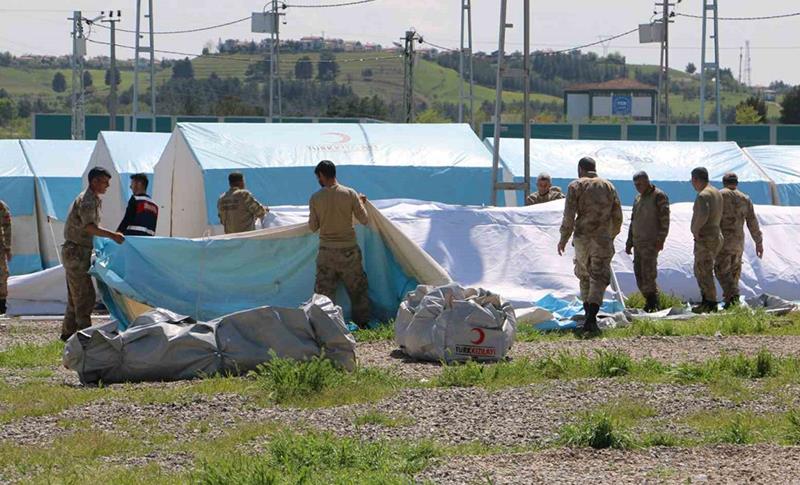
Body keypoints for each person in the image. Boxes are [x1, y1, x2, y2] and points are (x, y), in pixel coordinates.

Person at [558, 157, 623, 333]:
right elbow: (617, 215)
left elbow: (569, 216)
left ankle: (588, 316)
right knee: (599, 277)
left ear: (580, 169)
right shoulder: (608, 186)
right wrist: (611, 235)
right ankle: (592, 317)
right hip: (602, 238)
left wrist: (564, 238)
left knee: (584, 275)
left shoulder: (576, 186)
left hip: (582, 239)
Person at [61, 167, 125, 341]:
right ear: (94, 181)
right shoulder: (88, 200)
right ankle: (84, 336)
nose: (108, 185)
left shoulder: (93, 199)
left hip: (78, 251)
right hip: (76, 252)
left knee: (76, 295)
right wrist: (113, 235)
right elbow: (89, 227)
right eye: (105, 181)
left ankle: (68, 333)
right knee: (84, 296)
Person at [308, 160, 371, 328]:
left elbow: (313, 227)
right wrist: (361, 202)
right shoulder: (350, 194)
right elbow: (364, 220)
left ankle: (325, 326)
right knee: (357, 290)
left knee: (324, 294)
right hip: (349, 251)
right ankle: (362, 325)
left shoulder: (315, 198)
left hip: (326, 252)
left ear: (321, 175)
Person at [715, 172, 764, 309]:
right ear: (737, 183)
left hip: (723, 241)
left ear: (724, 182)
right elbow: (752, 222)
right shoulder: (745, 198)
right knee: (734, 272)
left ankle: (733, 296)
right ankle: (730, 301)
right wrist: (758, 242)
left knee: (720, 270)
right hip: (738, 242)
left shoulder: (719, 196)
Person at [625, 171, 670, 313]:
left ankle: (653, 302)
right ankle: (648, 300)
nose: (638, 187)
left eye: (640, 184)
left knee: (648, 273)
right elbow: (633, 221)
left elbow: (665, 220)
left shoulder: (658, 196)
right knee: (639, 273)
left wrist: (661, 239)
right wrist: (629, 241)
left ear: (647, 181)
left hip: (651, 242)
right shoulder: (638, 198)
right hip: (638, 242)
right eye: (635, 185)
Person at [690, 166, 723, 313]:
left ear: (696, 179)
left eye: (693, 180)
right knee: (705, 268)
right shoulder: (716, 192)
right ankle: (708, 300)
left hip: (706, 237)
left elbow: (702, 215)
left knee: (703, 270)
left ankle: (709, 303)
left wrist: (695, 230)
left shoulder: (703, 195)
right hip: (716, 234)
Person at [0, 200, 11, 315]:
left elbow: (7, 226)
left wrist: (7, 247)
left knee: (3, 274)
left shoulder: (1, 206)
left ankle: (2, 304)